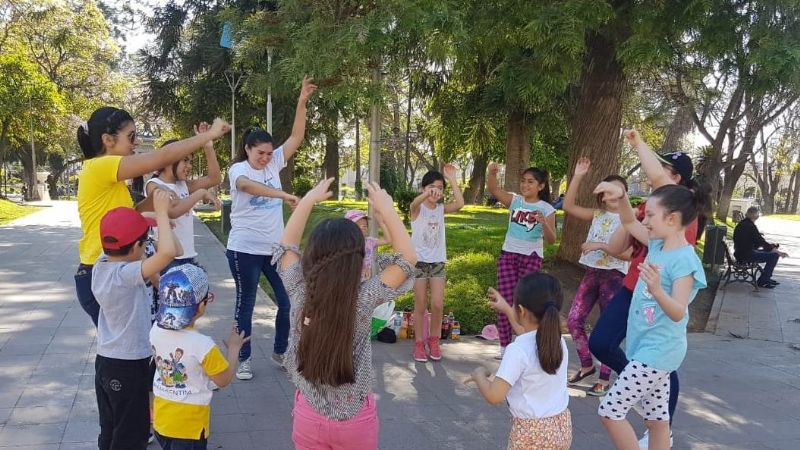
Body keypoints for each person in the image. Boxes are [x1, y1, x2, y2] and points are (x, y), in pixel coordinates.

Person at [588, 129, 712, 448]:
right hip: (645, 349)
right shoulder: (657, 246)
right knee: (657, 422)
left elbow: (678, 311)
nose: (646, 221)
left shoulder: (684, 260)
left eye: (652, 216)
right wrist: (621, 198)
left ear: (671, 220)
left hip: (659, 353)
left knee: (610, 410)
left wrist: (657, 290)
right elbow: (629, 223)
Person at [273, 178, 416, 450]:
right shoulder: (363, 299)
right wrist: (387, 211)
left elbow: (286, 246)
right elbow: (407, 259)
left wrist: (307, 202)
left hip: (308, 418)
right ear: (358, 259)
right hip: (355, 423)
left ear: (312, 254)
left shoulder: (300, 292)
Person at [75, 106, 230, 326]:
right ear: (108, 140)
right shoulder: (99, 166)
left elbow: (132, 216)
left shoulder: (111, 180)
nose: (135, 143)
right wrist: (210, 134)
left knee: (142, 346)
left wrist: (156, 202)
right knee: (129, 351)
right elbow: (162, 157)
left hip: (118, 268)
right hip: (103, 271)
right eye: (131, 136)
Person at [226, 76, 317, 380]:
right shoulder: (238, 169)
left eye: (268, 153)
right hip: (244, 249)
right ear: (248, 150)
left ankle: (280, 351)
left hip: (275, 249)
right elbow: (248, 187)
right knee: (246, 303)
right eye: (259, 154)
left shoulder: (275, 160)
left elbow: (296, 136)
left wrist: (302, 101)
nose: (266, 158)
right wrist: (283, 194)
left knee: (288, 299)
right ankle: (245, 358)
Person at [91, 191, 177, 450]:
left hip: (106, 362)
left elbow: (130, 245)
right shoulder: (126, 275)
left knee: (110, 427)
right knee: (132, 434)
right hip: (128, 366)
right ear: (139, 248)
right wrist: (161, 212)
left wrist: (149, 219)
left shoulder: (101, 264)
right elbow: (168, 253)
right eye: (146, 241)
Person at [467, 273, 571, 450]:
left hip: (531, 434)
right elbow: (529, 338)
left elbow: (494, 396)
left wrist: (479, 375)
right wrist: (507, 309)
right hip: (561, 426)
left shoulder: (517, 350)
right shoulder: (556, 340)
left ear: (521, 311)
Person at [150, 264, 249, 450]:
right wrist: (234, 349)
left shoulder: (155, 330)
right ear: (201, 305)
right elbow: (223, 379)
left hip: (162, 420)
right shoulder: (203, 345)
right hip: (190, 428)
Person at [562, 157, 630, 396]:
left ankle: (604, 378)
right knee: (573, 320)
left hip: (614, 277)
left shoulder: (629, 220)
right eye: (605, 192)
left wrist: (600, 245)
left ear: (623, 195)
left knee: (605, 329)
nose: (609, 197)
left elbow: (630, 253)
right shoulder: (598, 214)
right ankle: (586, 364)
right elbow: (568, 206)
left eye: (615, 192)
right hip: (592, 273)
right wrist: (579, 175)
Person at [486, 163, 557, 358]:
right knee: (506, 300)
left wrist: (544, 224)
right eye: (523, 181)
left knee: (526, 302)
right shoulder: (515, 201)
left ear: (541, 186)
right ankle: (504, 346)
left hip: (531, 257)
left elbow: (552, 241)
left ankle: (524, 342)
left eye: (531, 182)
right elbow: (493, 189)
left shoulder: (547, 209)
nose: (525, 185)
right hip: (508, 255)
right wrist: (492, 173)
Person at [145, 122, 223, 271]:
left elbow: (215, 178)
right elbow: (173, 210)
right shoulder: (153, 185)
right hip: (167, 261)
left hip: (188, 257)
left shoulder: (183, 185)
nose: (189, 166)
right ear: (169, 160)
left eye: (190, 161)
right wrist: (201, 193)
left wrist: (208, 146)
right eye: (185, 160)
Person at [409, 164, 464, 362]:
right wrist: (426, 195)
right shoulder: (417, 209)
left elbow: (460, 203)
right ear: (423, 188)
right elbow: (414, 203)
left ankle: (434, 340)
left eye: (439, 188)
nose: (436, 191)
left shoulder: (441, 209)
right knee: (421, 304)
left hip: (438, 262)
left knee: (438, 304)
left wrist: (451, 180)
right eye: (432, 187)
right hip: (419, 263)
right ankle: (419, 344)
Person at [733, 206, 788, 288]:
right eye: (757, 215)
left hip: (741, 253)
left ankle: (766, 278)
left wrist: (771, 247)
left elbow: (757, 242)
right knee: (774, 256)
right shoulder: (750, 226)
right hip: (746, 255)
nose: (758, 217)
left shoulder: (743, 223)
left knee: (769, 252)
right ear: (755, 216)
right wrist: (778, 252)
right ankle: (764, 281)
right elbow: (761, 242)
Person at [344, 209, 393, 281]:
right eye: (357, 225)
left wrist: (381, 222)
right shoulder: (345, 243)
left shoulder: (369, 242)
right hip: (348, 280)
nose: (362, 228)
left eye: (364, 225)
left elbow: (388, 239)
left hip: (365, 280)